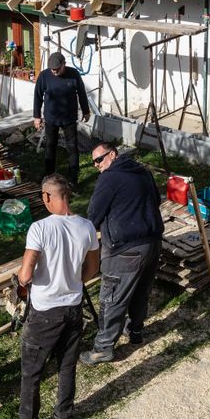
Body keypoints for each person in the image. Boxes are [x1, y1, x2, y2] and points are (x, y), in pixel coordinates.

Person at [11, 174, 100, 419]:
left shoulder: (39, 228)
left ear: (47, 197)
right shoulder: (86, 226)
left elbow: (26, 274)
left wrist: (26, 280)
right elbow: (93, 268)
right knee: (66, 366)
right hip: (73, 307)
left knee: (32, 371)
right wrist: (70, 281)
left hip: (44, 312)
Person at [81, 141, 164, 364]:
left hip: (125, 249)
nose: (97, 165)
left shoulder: (109, 177)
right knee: (140, 292)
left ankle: (103, 348)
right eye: (93, 163)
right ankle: (135, 332)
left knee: (112, 298)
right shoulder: (143, 171)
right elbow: (156, 201)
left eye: (99, 159)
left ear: (113, 154)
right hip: (153, 243)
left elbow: (93, 214)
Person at [33, 51, 91, 185]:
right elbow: (37, 96)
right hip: (51, 118)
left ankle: (73, 176)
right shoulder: (44, 76)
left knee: (72, 146)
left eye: (57, 69)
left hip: (69, 117)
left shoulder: (74, 74)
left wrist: (86, 111)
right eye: (52, 69)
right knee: (50, 146)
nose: (54, 72)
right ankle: (49, 174)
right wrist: (37, 116)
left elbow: (81, 93)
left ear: (64, 64)